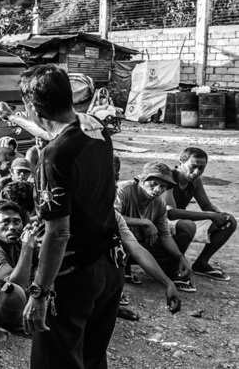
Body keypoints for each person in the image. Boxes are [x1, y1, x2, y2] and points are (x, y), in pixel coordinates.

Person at [18, 64, 122, 369]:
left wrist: (39, 294)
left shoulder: (53, 157)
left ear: (33, 106)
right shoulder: (94, 127)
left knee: (56, 360)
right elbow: (53, 130)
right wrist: (16, 118)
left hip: (74, 277)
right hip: (108, 266)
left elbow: (58, 233)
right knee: (91, 356)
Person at [116, 162, 195, 292]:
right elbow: (111, 217)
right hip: (121, 244)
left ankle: (169, 271)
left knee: (181, 234)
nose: (158, 190)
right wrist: (145, 222)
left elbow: (165, 235)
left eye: (163, 186)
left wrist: (181, 257)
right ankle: (121, 272)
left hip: (139, 246)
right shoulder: (123, 190)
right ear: (141, 180)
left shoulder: (159, 203)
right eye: (154, 184)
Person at [165, 147, 236, 281]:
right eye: (193, 166)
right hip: (162, 223)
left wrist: (220, 215)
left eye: (201, 168)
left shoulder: (195, 181)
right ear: (181, 161)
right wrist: (210, 215)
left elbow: (206, 206)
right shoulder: (168, 177)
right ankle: (172, 264)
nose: (197, 172)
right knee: (186, 225)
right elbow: (171, 213)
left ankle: (201, 264)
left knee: (229, 221)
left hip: (181, 222)